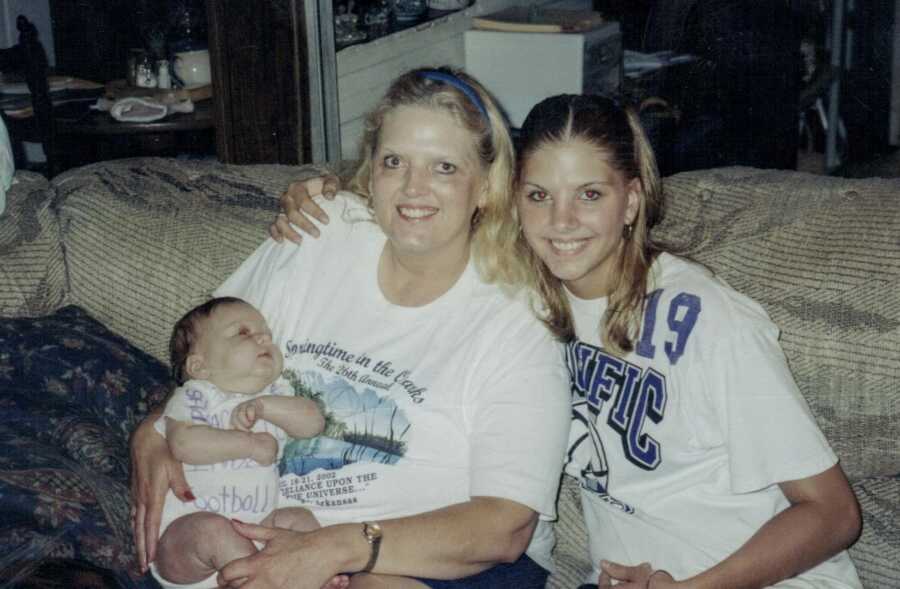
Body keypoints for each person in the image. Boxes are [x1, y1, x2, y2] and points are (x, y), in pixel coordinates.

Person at [272, 93, 863, 588]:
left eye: (589, 194)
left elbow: (834, 514)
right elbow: (419, 209)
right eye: (538, 196)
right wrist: (324, 193)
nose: (561, 223)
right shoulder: (519, 294)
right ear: (510, 200)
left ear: (631, 201)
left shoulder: (708, 317)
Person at [130, 67, 571, 589]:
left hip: (437, 562)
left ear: (486, 185)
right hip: (262, 534)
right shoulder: (324, 232)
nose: (413, 188)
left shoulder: (515, 319)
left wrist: (335, 548)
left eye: (445, 167)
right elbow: (209, 354)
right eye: (394, 162)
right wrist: (154, 431)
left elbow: (506, 527)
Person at [152, 296, 326, 589]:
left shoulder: (275, 394)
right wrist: (248, 445)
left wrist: (265, 407)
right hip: (186, 540)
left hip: (257, 530)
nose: (263, 338)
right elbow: (184, 444)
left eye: (266, 335)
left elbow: (313, 423)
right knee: (214, 530)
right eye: (243, 333)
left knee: (300, 519)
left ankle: (319, 578)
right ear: (199, 366)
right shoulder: (196, 395)